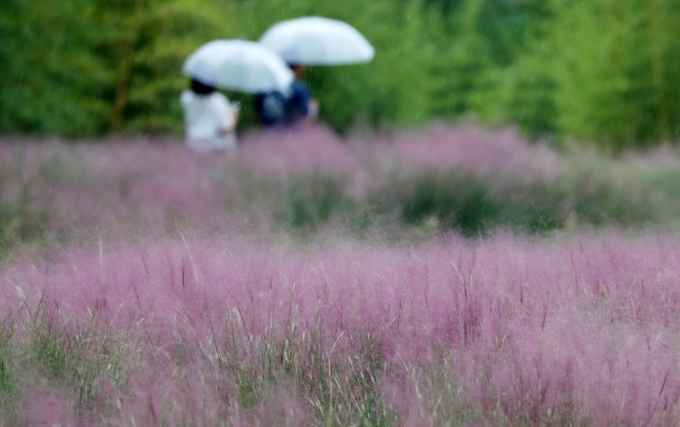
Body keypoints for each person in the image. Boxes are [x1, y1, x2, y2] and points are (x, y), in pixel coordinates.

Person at [180, 79, 239, 151]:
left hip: (192, 144)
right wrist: (234, 117)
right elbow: (225, 130)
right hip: (213, 147)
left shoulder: (186, 97)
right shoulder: (218, 101)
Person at [254, 63, 318, 128]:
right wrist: (313, 110)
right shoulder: (299, 89)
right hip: (291, 134)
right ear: (298, 66)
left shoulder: (264, 88)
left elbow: (256, 116)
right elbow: (305, 118)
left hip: (268, 134)